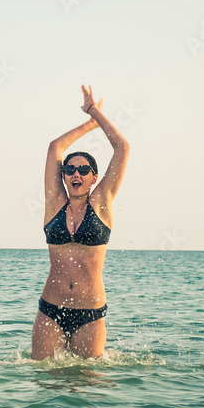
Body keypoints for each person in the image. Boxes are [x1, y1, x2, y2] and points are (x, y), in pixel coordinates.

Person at [32, 85, 130, 360]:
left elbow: (122, 147)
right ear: (64, 176)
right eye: (70, 169)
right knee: (43, 384)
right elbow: (56, 147)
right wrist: (87, 124)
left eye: (83, 169)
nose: (76, 173)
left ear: (94, 177)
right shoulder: (54, 204)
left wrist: (95, 112)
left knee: (88, 388)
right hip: (51, 309)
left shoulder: (102, 202)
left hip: (91, 312)